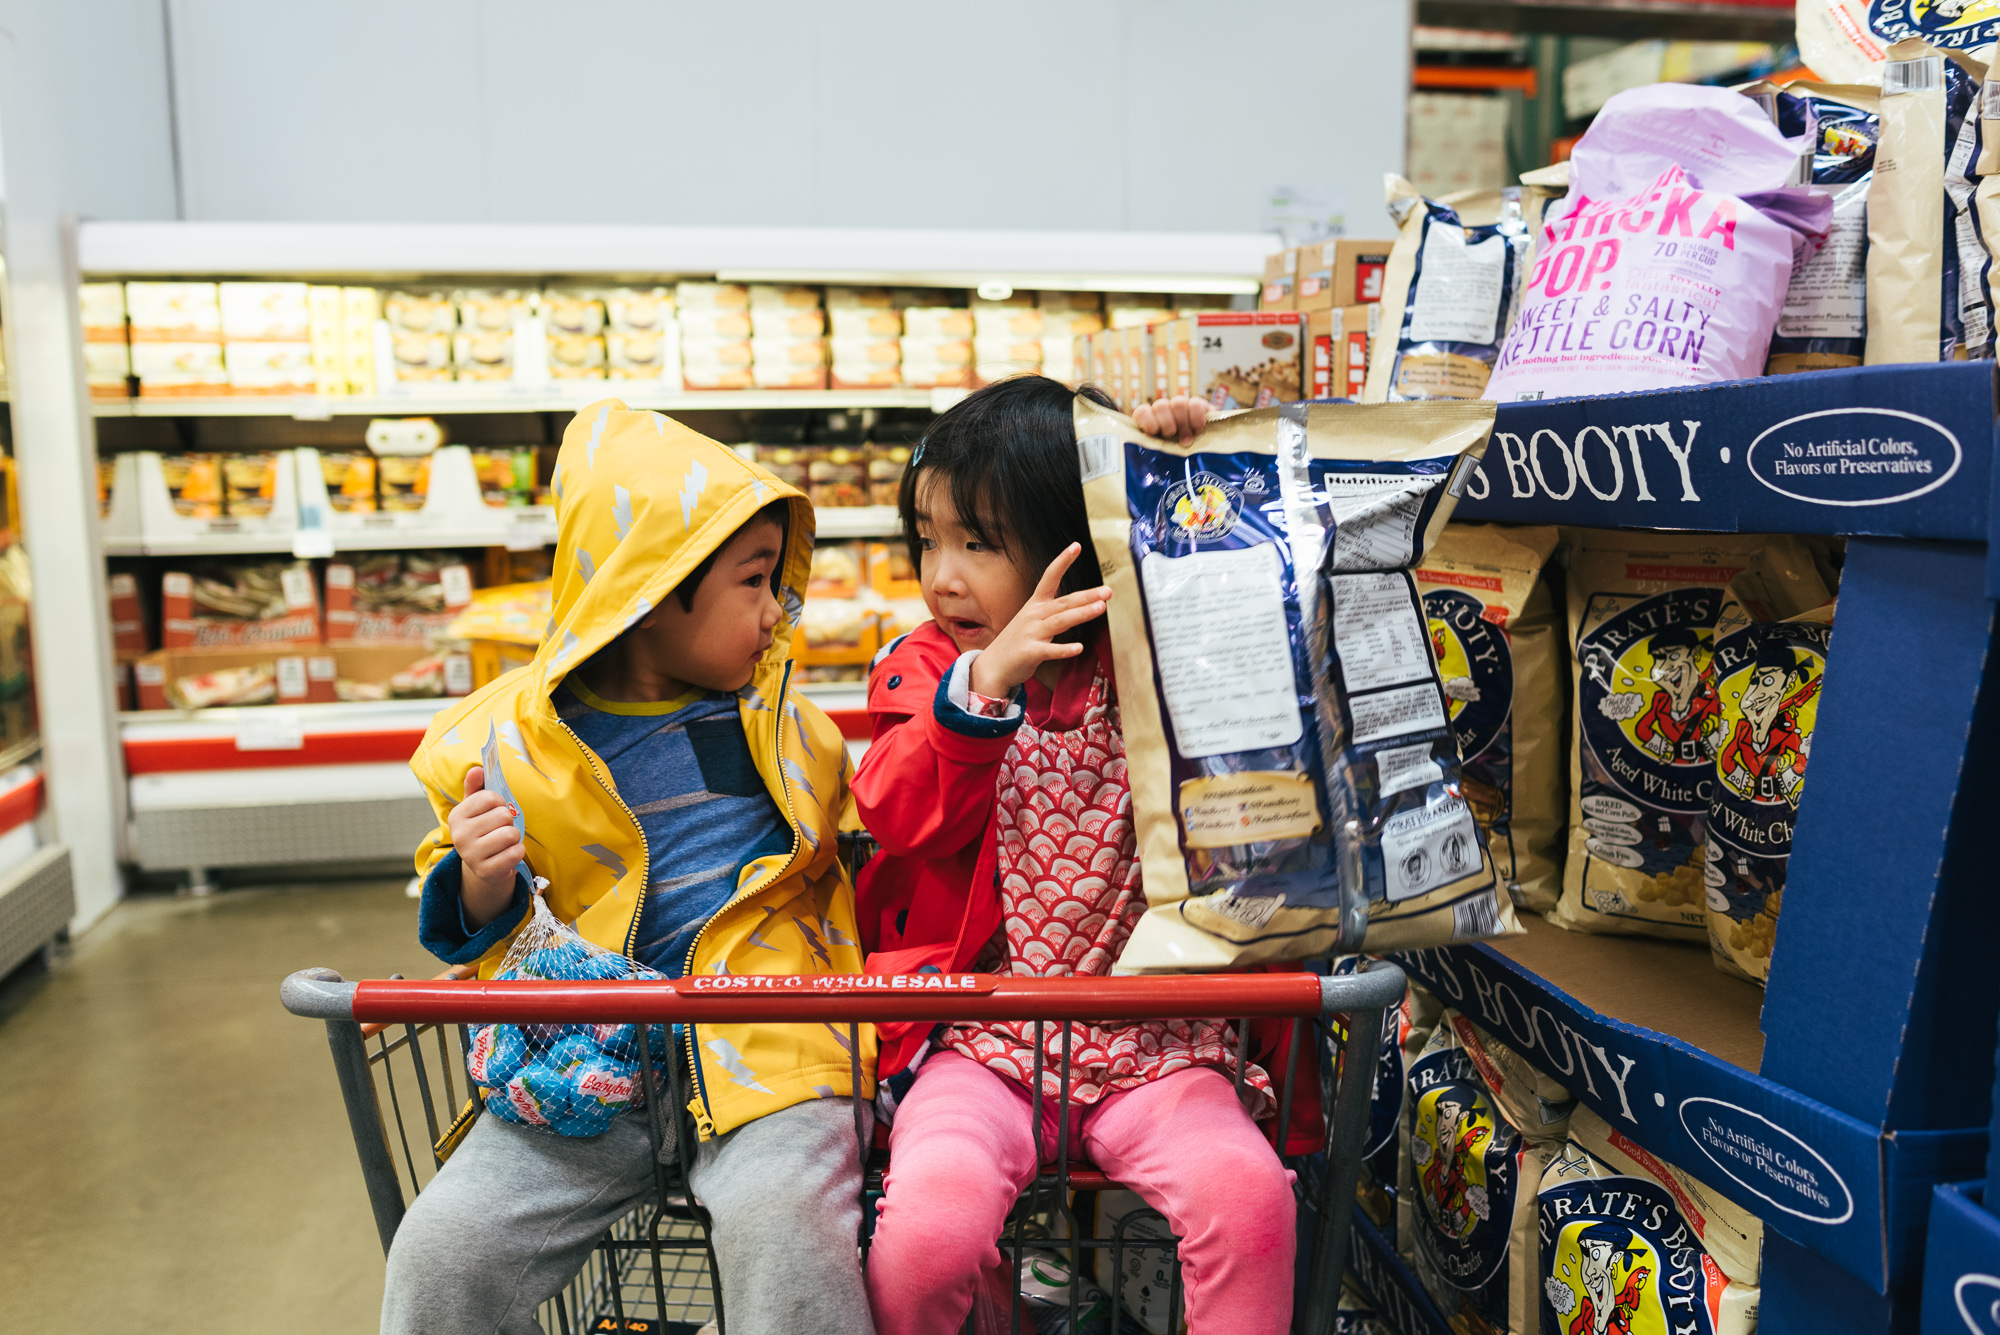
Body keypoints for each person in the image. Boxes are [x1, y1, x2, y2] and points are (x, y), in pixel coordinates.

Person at [382, 401, 875, 1335]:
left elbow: (874, 843)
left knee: (786, 1222)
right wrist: (484, 877)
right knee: (441, 1247)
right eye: (755, 581)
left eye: (778, 580)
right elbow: (476, 911)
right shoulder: (507, 745)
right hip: (585, 1071)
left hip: (768, 1057)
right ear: (649, 588)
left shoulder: (791, 729)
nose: (778, 611)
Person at [853, 376, 1301, 1335]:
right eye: (928, 539)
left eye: (978, 541)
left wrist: (1172, 466)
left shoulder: (1152, 646)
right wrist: (981, 689)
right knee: (929, 1229)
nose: (943, 576)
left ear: (1080, 533)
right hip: (982, 1037)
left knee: (1250, 1200)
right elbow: (897, 813)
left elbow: (1259, 601)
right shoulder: (932, 670)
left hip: (1156, 1040)